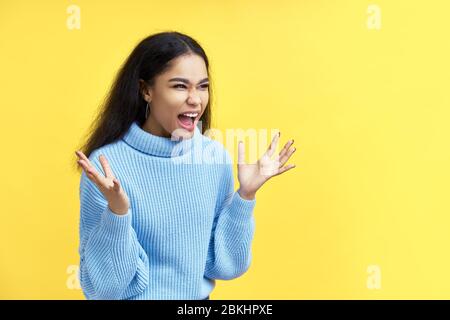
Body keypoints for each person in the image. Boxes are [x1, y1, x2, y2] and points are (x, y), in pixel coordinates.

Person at [75, 31, 296, 300]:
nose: (195, 99)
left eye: (202, 86)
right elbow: (105, 288)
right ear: (146, 90)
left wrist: (245, 197)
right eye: (180, 86)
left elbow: (225, 266)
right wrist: (118, 212)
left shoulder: (213, 157)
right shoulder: (106, 167)